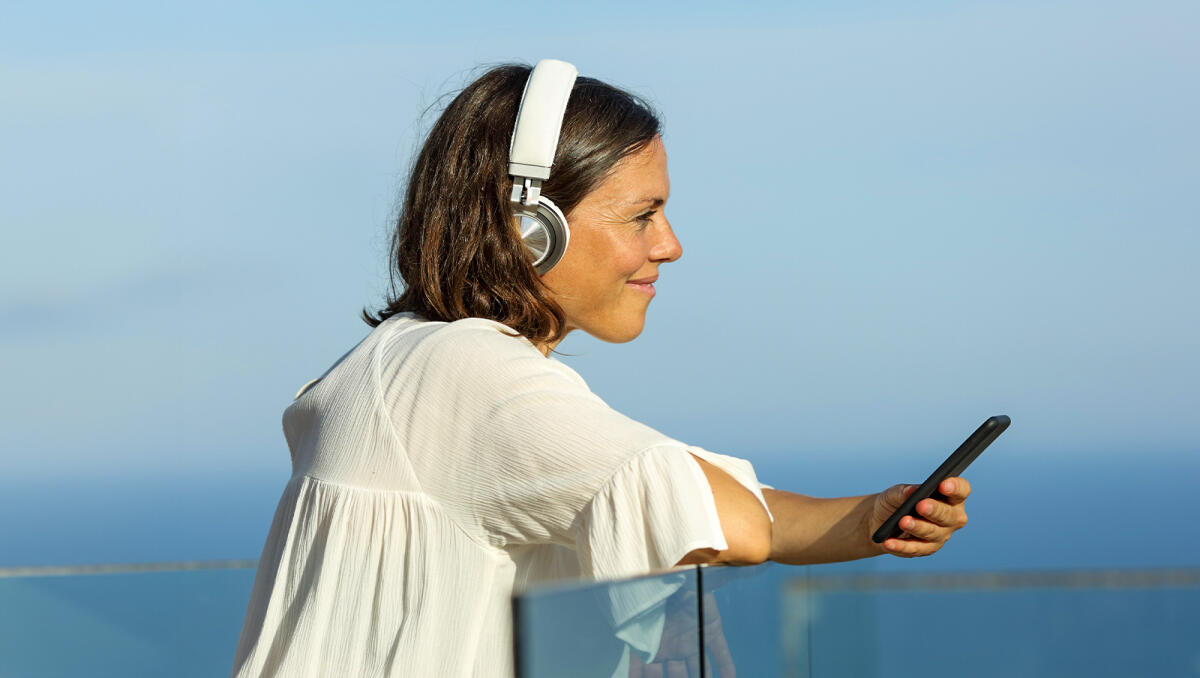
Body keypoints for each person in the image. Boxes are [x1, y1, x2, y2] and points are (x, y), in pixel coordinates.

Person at [230, 60, 971, 678]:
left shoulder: (406, 357)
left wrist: (869, 518)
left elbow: (694, 502)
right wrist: (690, 550)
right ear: (529, 228)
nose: (670, 244)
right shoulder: (468, 375)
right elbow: (731, 522)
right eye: (642, 215)